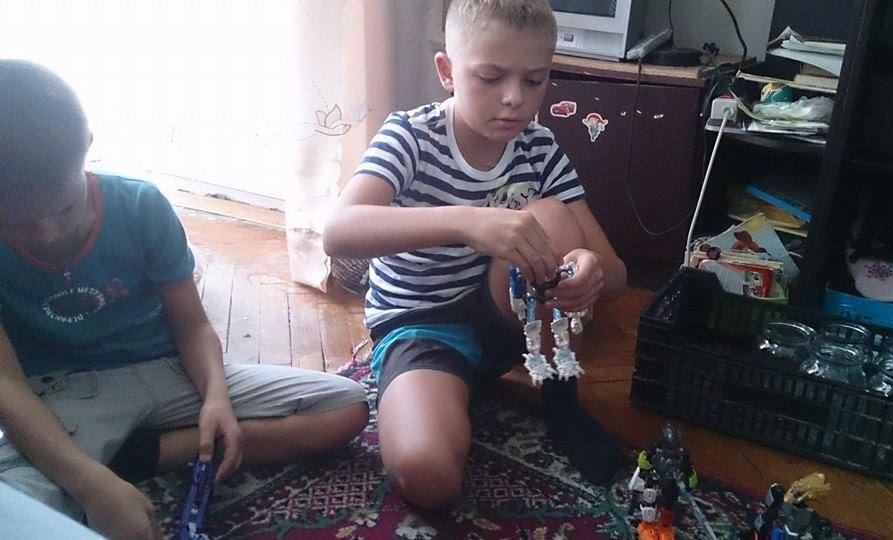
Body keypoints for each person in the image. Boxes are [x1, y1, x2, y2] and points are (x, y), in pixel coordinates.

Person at [0, 60, 369, 540]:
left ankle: (134, 455)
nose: (46, 234)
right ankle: (104, 460)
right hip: (65, 394)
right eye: (13, 223)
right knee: (18, 511)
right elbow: (7, 386)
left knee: (344, 407)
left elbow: (192, 325)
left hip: (168, 369)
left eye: (64, 208)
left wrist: (216, 397)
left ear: (88, 146)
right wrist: (93, 487)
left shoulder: (139, 204)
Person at [323, 0, 628, 509]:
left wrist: (587, 270)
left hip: (505, 321)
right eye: (490, 77)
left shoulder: (539, 148)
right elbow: (338, 232)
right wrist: (467, 221)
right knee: (427, 475)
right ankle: (445, 387)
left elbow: (616, 274)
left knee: (550, 216)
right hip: (421, 327)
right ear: (447, 72)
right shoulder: (410, 137)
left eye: (534, 81)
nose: (514, 98)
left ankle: (560, 399)